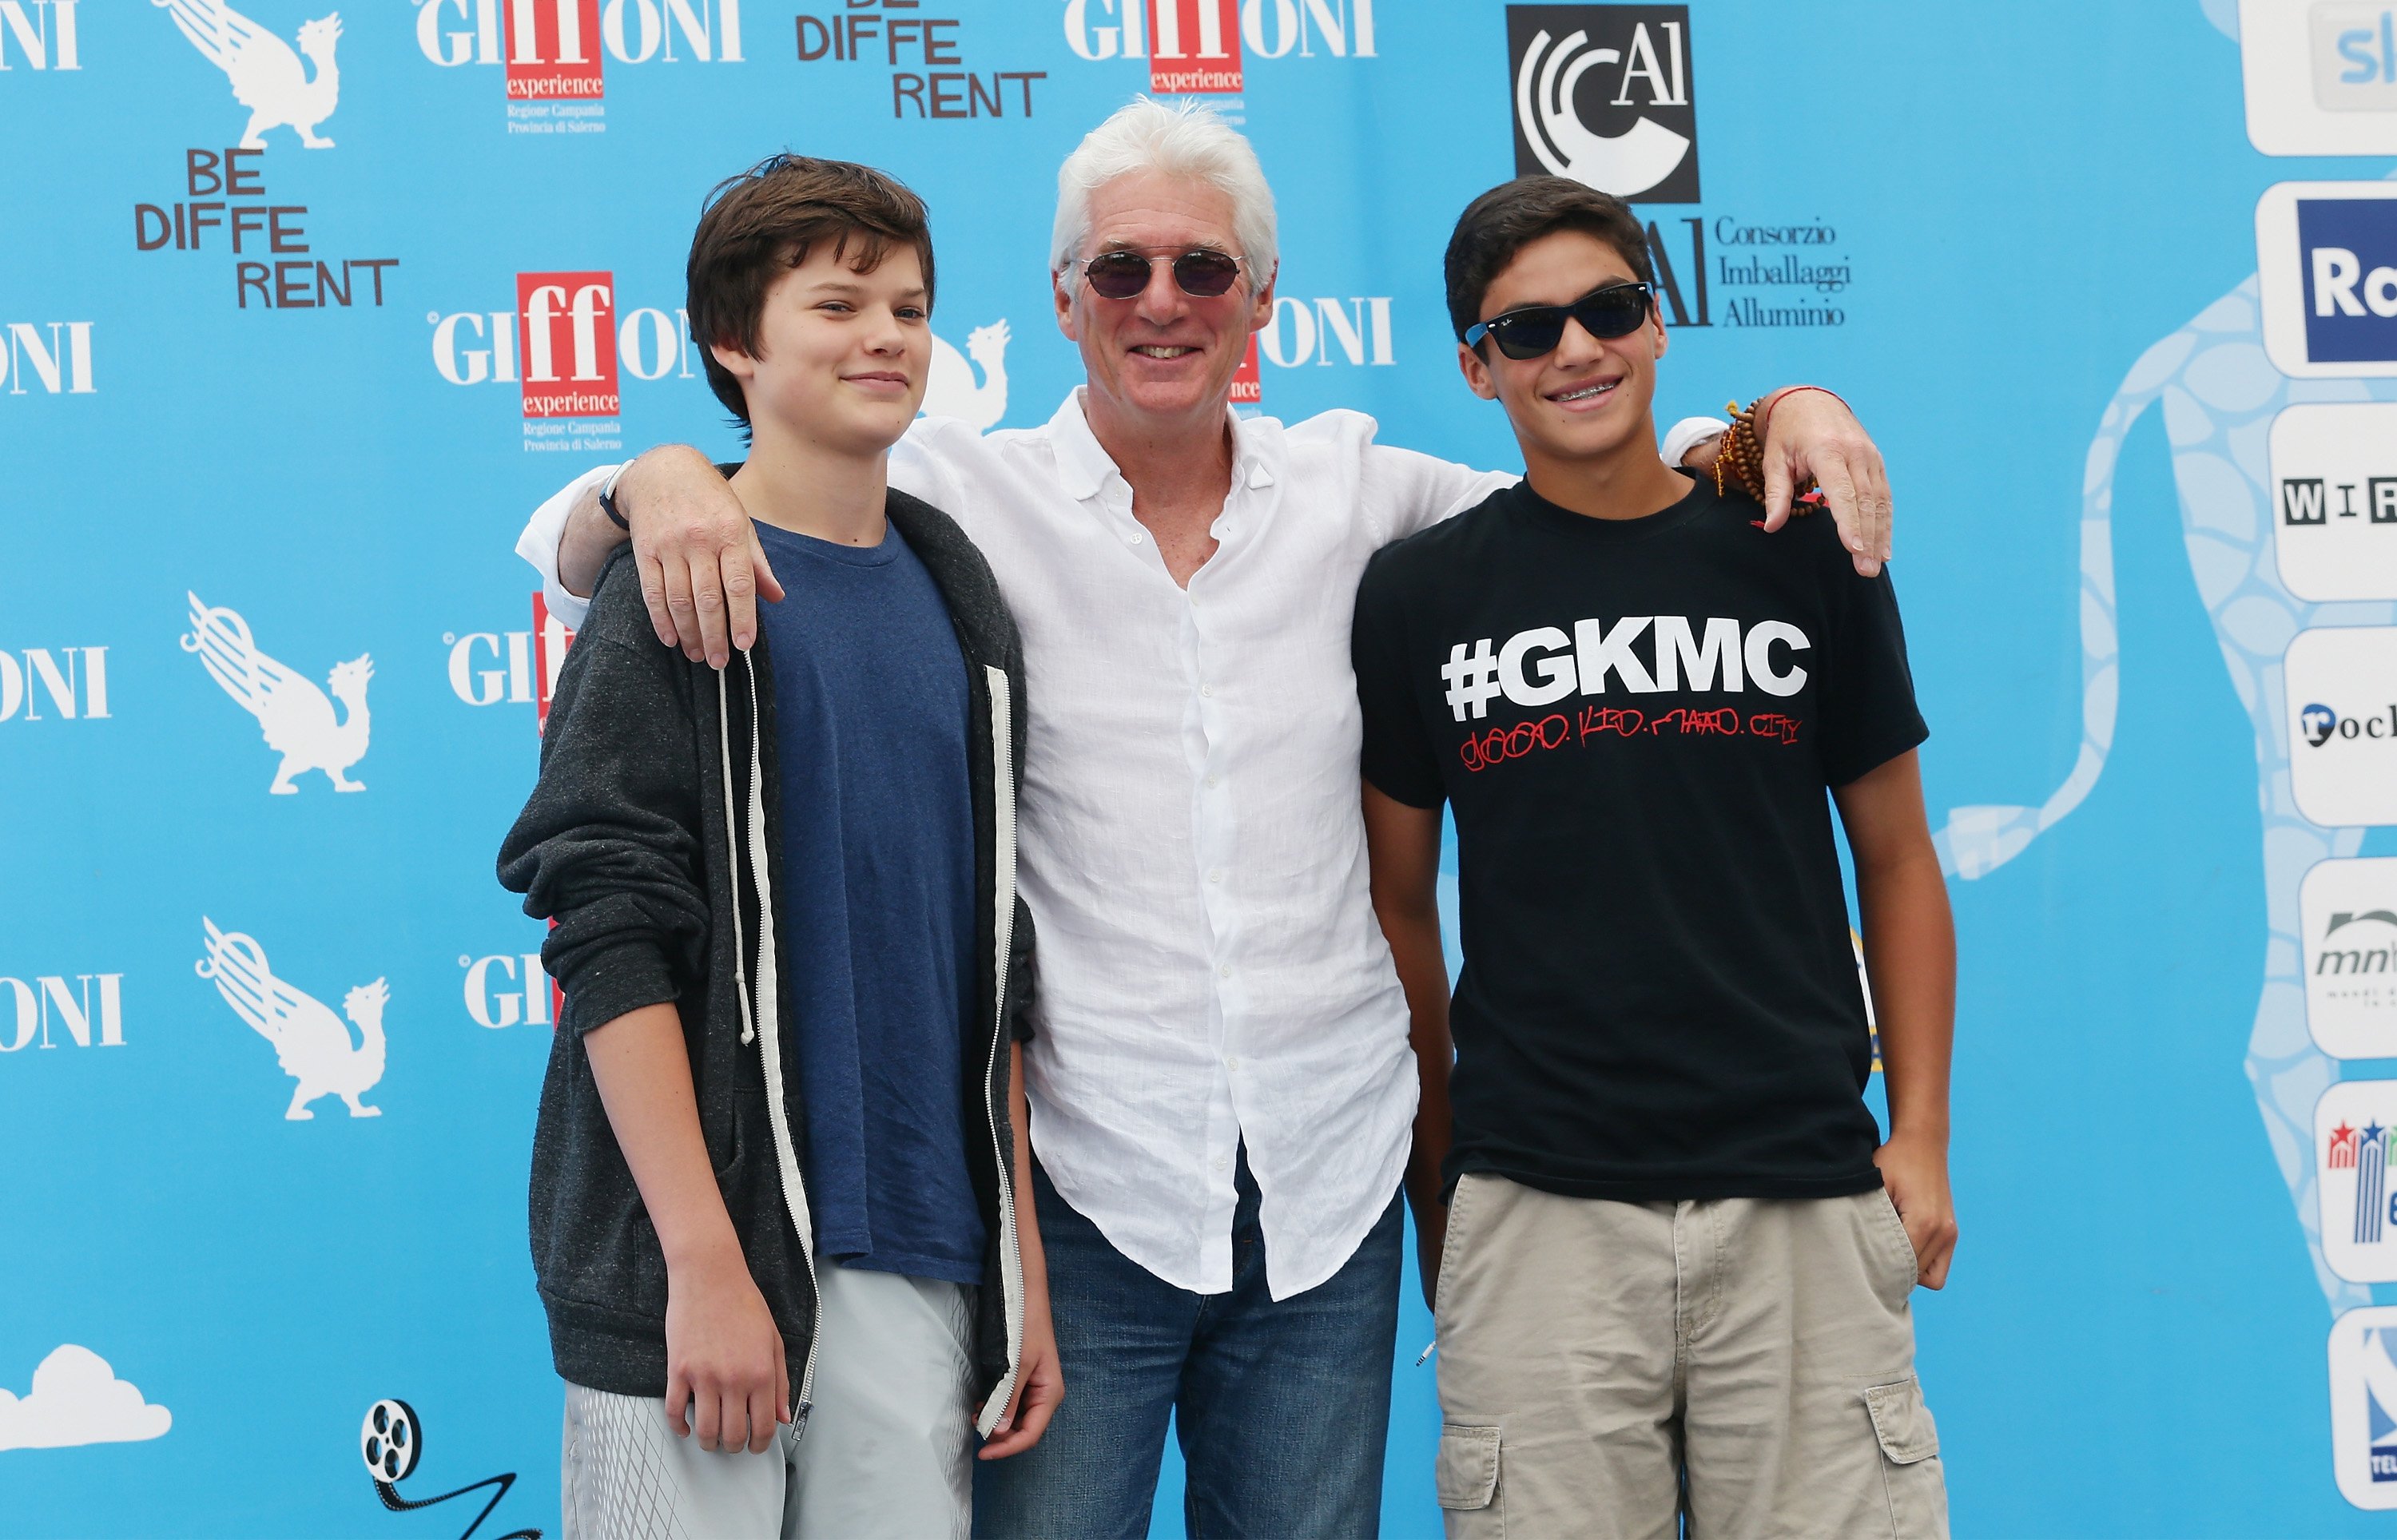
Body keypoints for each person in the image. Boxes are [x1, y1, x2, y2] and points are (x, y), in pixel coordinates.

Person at [515, 100, 1898, 1539]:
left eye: (1204, 270)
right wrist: (651, 474)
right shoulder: (946, 499)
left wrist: (1779, 413)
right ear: (1063, 300)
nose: (1163, 303)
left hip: (1328, 1189)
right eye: (1121, 271)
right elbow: (602, 547)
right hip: (1078, 1199)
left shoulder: (1375, 499)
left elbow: (1604, 490)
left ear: (1264, 304)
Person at [1352, 174, 1957, 1540]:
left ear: (1658, 321)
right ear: (1475, 366)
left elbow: (1901, 862)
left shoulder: (1799, 556)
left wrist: (1918, 1138)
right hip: (1540, 1211)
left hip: (1803, 1185)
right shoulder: (1421, 594)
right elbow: (1396, 909)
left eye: (1607, 309)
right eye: (1527, 331)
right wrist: (1445, 1187)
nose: (1575, 349)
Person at [495, 154, 1059, 1540]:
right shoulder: (675, 576)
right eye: (840, 304)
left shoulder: (962, 596)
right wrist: (701, 1262)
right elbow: (608, 925)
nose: (886, 335)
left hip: (922, 1256)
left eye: (912, 307)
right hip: (700, 1270)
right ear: (736, 345)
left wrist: (1021, 1266)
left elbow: (989, 957)